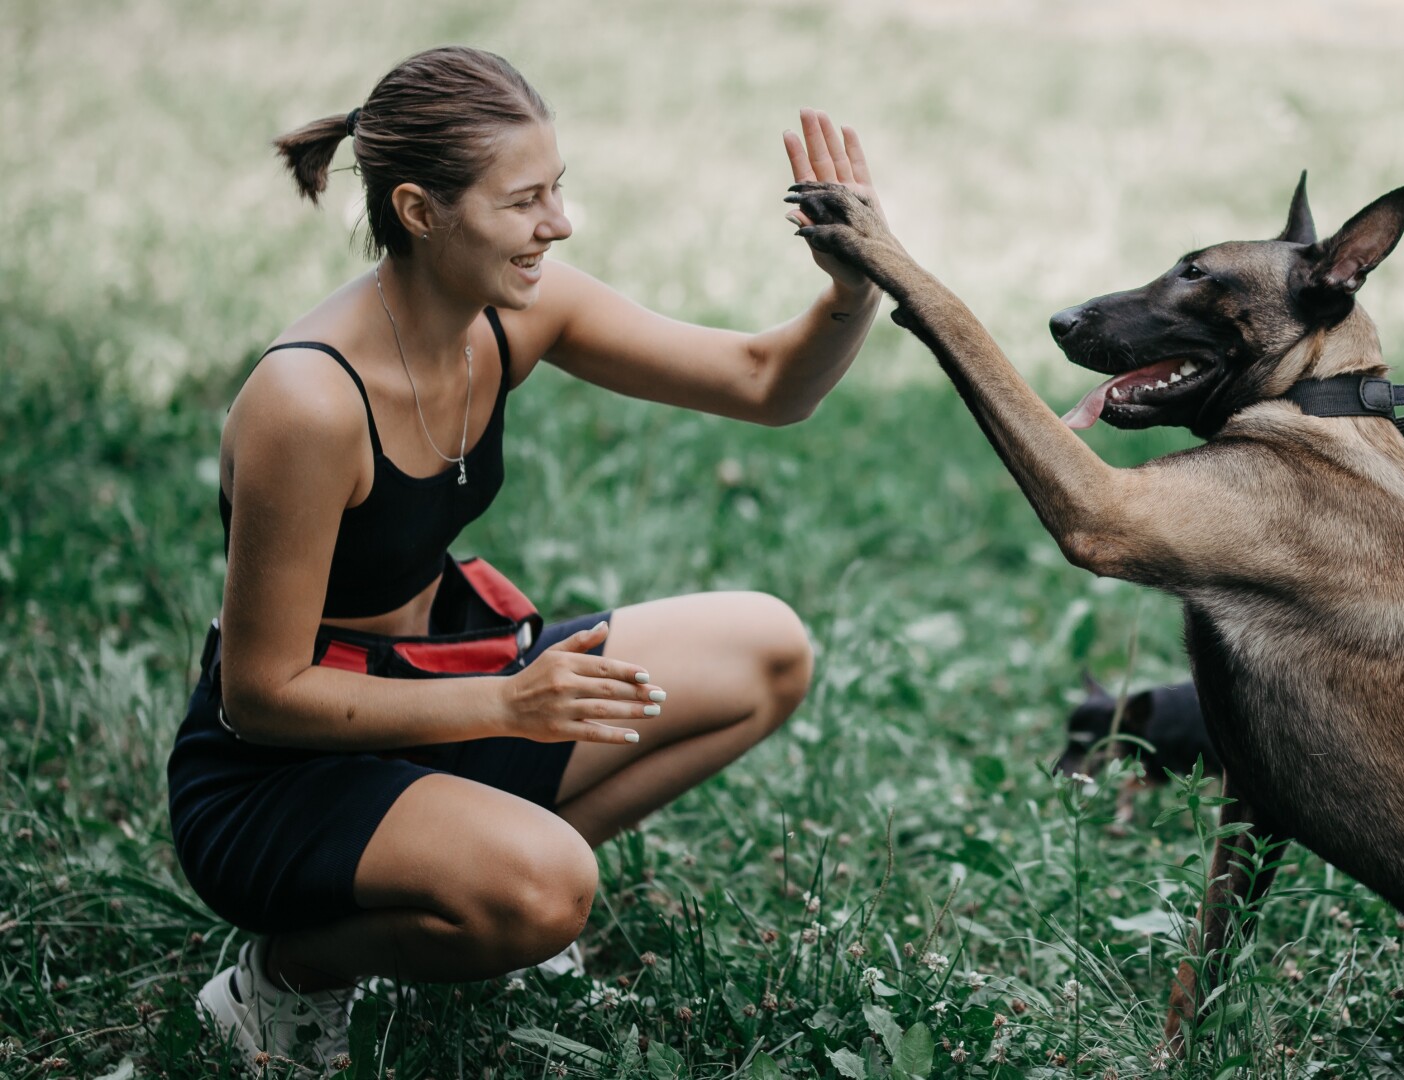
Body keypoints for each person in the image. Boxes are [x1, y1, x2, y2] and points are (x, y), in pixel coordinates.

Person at [167, 45, 882, 1068]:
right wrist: (507, 707)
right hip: (282, 778)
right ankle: (287, 977)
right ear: (420, 211)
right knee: (550, 888)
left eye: (559, 189)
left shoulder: (518, 312)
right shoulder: (307, 402)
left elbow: (768, 383)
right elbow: (262, 694)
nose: (560, 222)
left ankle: (473, 874)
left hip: (445, 693)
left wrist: (851, 291)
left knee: (765, 651)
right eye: (526, 199)